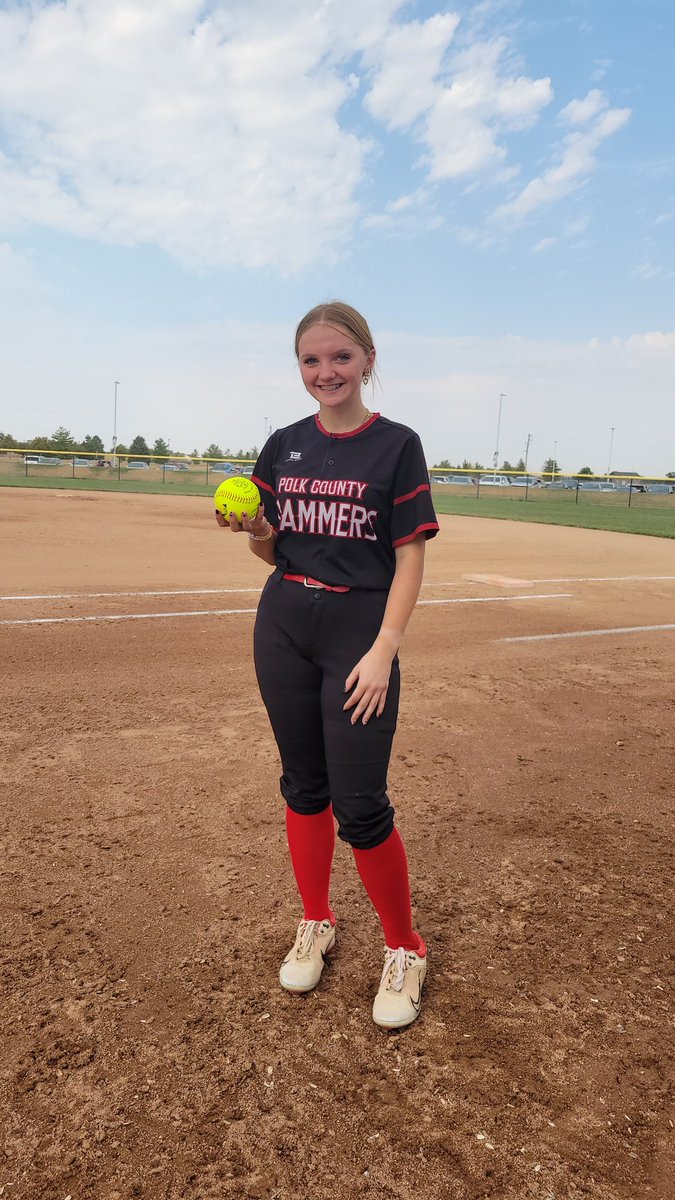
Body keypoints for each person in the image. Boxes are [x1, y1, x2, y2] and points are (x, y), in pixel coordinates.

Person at [216, 301, 439, 1029]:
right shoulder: (284, 445)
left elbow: (409, 555)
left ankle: (405, 948)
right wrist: (255, 527)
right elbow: (271, 549)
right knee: (303, 785)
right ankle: (316, 919)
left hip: (358, 632)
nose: (326, 372)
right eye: (311, 360)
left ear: (368, 360)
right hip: (284, 622)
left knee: (360, 803)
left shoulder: (396, 445)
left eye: (340, 356)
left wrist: (384, 648)